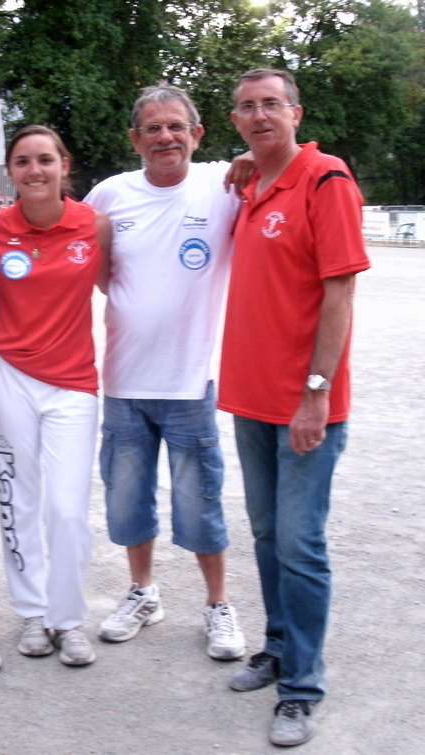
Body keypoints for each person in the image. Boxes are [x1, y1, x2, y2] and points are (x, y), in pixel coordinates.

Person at [220, 68, 370, 747]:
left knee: (301, 544)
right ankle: (278, 648)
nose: (259, 115)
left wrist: (315, 392)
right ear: (236, 122)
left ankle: (302, 688)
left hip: (306, 403)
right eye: (247, 108)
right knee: (267, 534)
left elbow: (339, 294)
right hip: (251, 398)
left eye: (271, 105)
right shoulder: (251, 184)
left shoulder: (325, 179)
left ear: (296, 112)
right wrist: (245, 167)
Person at [84, 82, 248, 659]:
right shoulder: (107, 196)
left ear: (197, 134)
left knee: (200, 499)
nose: (165, 137)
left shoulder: (224, 185)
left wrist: (254, 154)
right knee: (128, 501)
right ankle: (143, 592)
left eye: (175, 126)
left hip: (188, 383)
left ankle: (218, 605)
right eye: (152, 128)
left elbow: (275, 162)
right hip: (125, 382)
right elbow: (97, 269)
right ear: (135, 139)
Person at [0, 125, 111, 666]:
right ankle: (32, 613)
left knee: (68, 509)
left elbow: (123, 288)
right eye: (24, 161)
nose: (35, 171)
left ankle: (68, 619)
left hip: (74, 384)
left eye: (45, 160)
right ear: (10, 170)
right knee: (17, 497)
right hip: (8, 376)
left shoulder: (94, 227)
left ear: (64, 165)